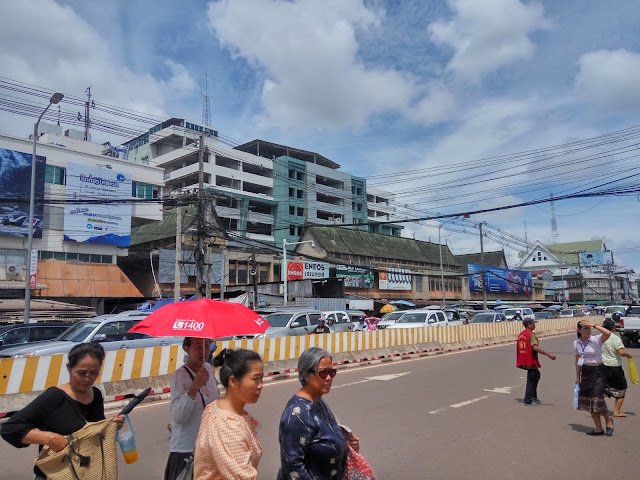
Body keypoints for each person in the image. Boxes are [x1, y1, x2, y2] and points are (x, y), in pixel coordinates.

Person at [0, 343, 124, 480]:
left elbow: (91, 433)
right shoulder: (54, 397)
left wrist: (110, 426)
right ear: (69, 368)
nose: (88, 378)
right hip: (54, 475)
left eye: (93, 373)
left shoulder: (96, 395)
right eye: (81, 373)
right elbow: (10, 429)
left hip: (86, 473)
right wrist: (49, 438)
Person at [277, 347, 359, 480]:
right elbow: (294, 468)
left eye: (331, 372)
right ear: (306, 375)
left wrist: (348, 445)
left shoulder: (318, 402)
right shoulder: (297, 414)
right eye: (322, 373)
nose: (328, 378)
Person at [194, 348, 264, 480]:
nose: (260, 385)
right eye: (255, 379)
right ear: (233, 381)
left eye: (261, 379)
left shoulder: (216, 408)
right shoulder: (228, 426)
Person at [165, 337, 220, 480]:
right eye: (197, 346)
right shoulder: (180, 375)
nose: (204, 351)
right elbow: (179, 417)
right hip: (186, 451)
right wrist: (195, 386)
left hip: (209, 448)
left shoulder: (208, 369)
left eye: (207, 345)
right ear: (186, 349)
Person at [574, 320, 614, 436]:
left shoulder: (596, 339)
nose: (588, 330)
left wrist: (594, 325)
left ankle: (608, 420)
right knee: (589, 400)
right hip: (586, 372)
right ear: (579, 331)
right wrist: (577, 376)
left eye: (589, 328)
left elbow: (608, 334)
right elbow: (577, 360)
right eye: (585, 328)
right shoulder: (577, 343)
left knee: (597, 397)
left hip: (599, 371)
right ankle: (598, 428)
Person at [516, 318, 556, 405]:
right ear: (529, 325)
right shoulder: (531, 334)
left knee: (536, 375)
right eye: (533, 324)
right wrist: (548, 354)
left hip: (524, 359)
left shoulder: (521, 334)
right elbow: (535, 347)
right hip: (530, 359)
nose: (534, 325)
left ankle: (533, 396)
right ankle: (528, 400)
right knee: (531, 379)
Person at [602, 316, 633, 417]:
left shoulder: (600, 338)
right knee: (622, 388)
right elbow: (620, 352)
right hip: (615, 367)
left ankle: (598, 408)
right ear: (613, 328)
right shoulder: (615, 338)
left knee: (604, 389)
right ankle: (616, 411)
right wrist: (627, 355)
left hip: (603, 366)